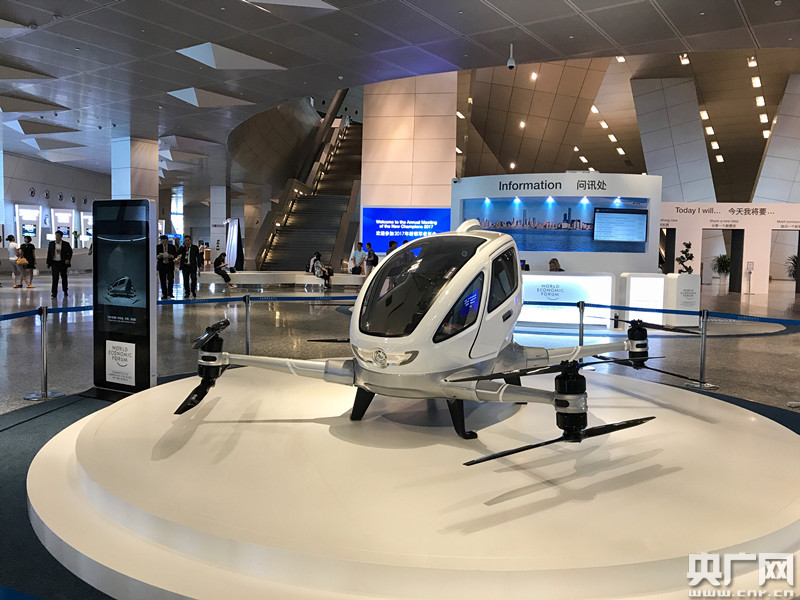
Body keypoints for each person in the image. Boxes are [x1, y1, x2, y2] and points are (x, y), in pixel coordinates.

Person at [46, 230, 72, 298]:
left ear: (61, 236)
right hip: (54, 262)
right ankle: (54, 292)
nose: (57, 237)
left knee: (64, 277)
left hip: (62, 262)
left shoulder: (66, 244)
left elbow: (70, 252)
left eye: (58, 235)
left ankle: (65, 290)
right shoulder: (51, 243)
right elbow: (49, 253)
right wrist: (48, 262)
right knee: (55, 278)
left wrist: (68, 259)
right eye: (56, 235)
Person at [156, 235, 177, 299]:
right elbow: (155, 255)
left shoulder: (172, 247)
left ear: (167, 240)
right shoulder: (158, 247)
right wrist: (159, 256)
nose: (164, 243)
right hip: (162, 265)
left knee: (170, 279)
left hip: (169, 265)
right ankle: (164, 294)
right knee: (162, 280)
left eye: (165, 241)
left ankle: (170, 293)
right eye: (163, 241)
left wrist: (171, 256)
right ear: (161, 241)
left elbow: (175, 255)